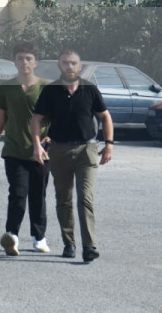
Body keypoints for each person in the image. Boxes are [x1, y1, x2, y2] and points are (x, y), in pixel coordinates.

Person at [30, 48, 114, 263]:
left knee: (85, 198)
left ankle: (89, 246)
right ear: (60, 66)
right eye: (65, 63)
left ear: (80, 66)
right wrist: (37, 145)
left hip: (87, 150)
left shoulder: (90, 89)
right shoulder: (51, 91)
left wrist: (109, 144)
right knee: (63, 199)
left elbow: (105, 117)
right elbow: (37, 119)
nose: (69, 66)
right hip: (59, 150)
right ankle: (69, 242)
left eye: (73, 63)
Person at [0, 41, 51, 256]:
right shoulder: (6, 87)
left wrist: (50, 137)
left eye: (28, 58)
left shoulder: (47, 87)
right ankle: (11, 236)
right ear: (14, 61)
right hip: (13, 150)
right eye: (20, 58)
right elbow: (0, 118)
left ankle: (39, 237)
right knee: (17, 193)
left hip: (41, 152)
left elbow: (58, 118)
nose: (24, 62)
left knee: (38, 195)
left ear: (36, 63)